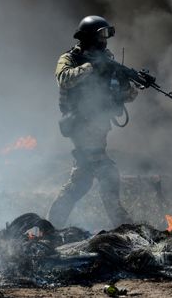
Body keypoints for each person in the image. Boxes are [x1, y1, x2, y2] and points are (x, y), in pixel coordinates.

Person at [47, 15, 138, 228]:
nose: (105, 40)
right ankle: (124, 226)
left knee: (80, 183)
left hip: (99, 127)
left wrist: (125, 88)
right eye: (101, 35)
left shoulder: (108, 61)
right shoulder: (70, 59)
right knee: (108, 174)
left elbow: (125, 95)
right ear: (88, 37)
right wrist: (91, 67)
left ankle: (50, 227)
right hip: (80, 126)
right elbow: (64, 78)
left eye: (107, 35)